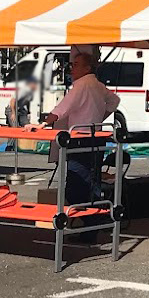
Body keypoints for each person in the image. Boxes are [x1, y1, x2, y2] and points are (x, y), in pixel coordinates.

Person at [41, 45, 120, 206]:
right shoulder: (97, 85)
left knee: (77, 181)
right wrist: (101, 117)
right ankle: (93, 214)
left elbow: (62, 108)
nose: (72, 69)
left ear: (87, 68)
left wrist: (43, 123)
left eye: (76, 65)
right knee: (93, 179)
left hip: (80, 139)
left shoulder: (82, 85)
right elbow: (114, 100)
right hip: (96, 137)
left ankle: (84, 214)